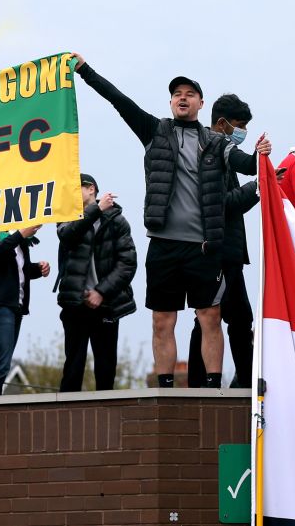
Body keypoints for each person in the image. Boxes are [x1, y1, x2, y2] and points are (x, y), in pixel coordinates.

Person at [72, 55, 271, 388]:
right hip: (163, 244)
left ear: (200, 103)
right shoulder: (155, 130)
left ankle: (211, 390)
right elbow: (119, 100)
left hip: (204, 248)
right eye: (177, 93)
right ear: (171, 101)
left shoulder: (216, 142)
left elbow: (249, 165)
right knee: (162, 321)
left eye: (190, 93)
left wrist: (261, 154)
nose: (183, 97)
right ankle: (165, 390)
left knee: (211, 317)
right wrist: (85, 71)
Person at [188, 94, 258, 389]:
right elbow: (221, 203)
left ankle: (233, 380)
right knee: (225, 318)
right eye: (239, 126)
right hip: (217, 251)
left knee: (222, 317)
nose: (241, 133)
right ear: (221, 123)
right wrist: (258, 188)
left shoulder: (223, 153)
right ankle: (239, 381)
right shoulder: (211, 154)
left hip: (228, 251)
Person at [55, 173, 137, 392]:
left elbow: (127, 264)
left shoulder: (117, 221)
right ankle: (67, 418)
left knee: (106, 366)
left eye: (75, 188)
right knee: (73, 366)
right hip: (75, 302)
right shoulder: (67, 217)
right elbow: (67, 235)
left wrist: (101, 292)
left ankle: (106, 417)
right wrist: (96, 210)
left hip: (107, 303)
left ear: (90, 188)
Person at [0, 227, 49, 396]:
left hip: (14, 305)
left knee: (2, 363)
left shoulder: (15, 239)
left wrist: (38, 268)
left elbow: (18, 270)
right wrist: (20, 234)